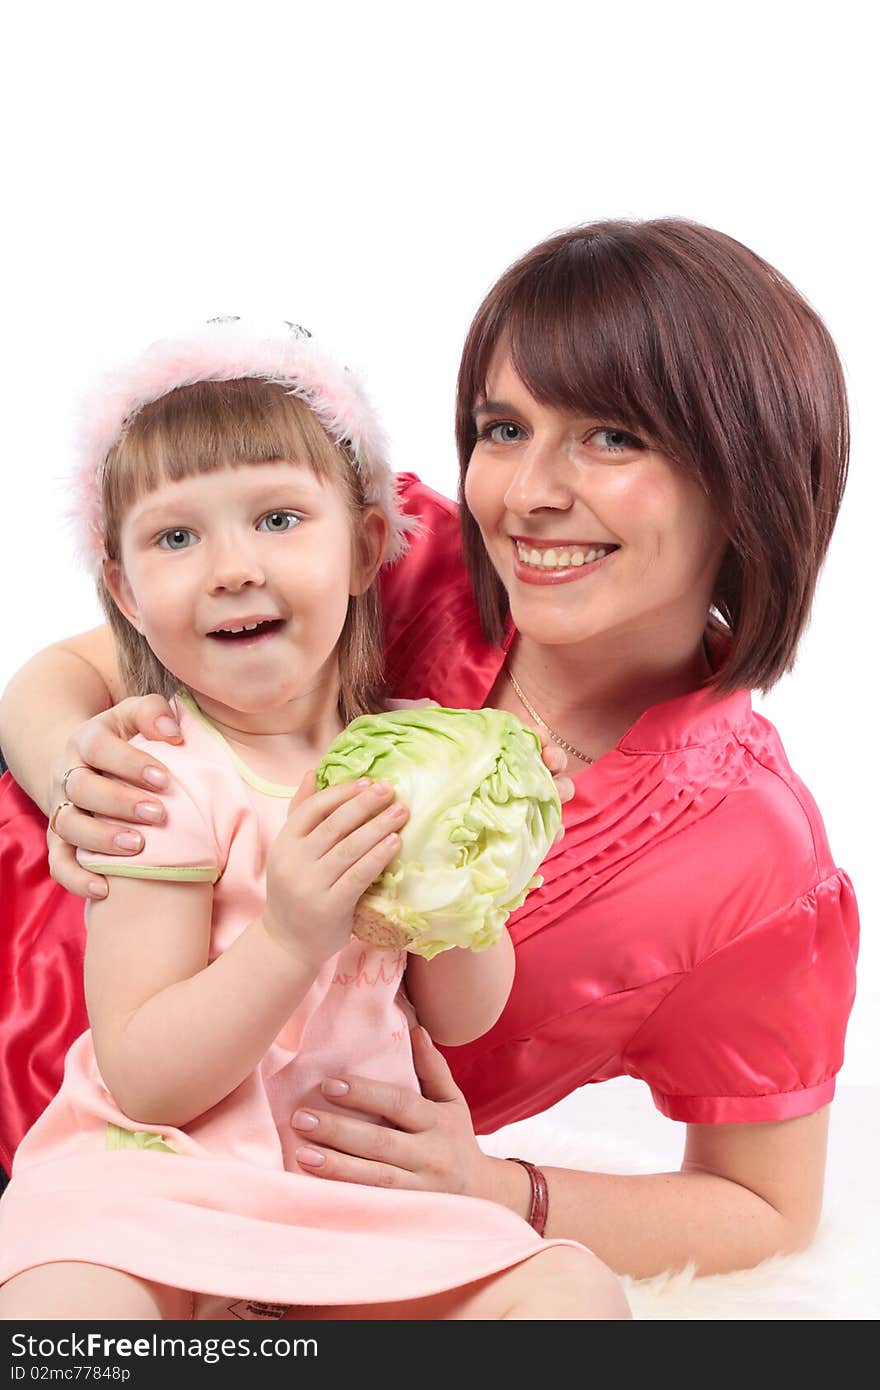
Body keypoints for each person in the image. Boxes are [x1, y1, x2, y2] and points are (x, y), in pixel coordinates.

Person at [0, 219, 858, 1280]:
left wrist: (495, 1188)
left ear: (751, 471)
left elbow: (766, 1209)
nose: (527, 491)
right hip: (80, 1152)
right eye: (503, 428)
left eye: (612, 437)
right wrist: (77, 772)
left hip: (287, 1223)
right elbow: (70, 672)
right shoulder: (392, 567)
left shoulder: (754, 856)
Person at [0, 320, 628, 1320]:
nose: (233, 566)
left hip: (348, 1194)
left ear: (365, 547)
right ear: (122, 588)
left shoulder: (415, 757)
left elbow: (461, 1014)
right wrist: (291, 934)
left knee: (575, 1292)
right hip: (160, 1183)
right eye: (175, 536)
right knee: (63, 1318)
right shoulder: (157, 771)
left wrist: (482, 864)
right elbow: (149, 1075)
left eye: (279, 519)